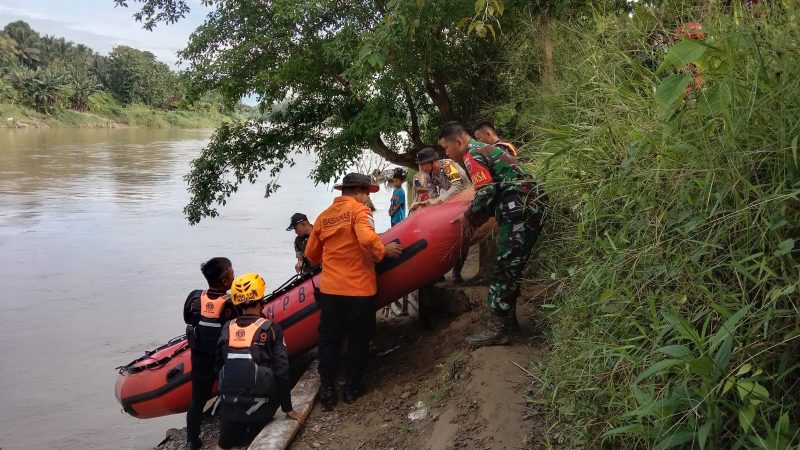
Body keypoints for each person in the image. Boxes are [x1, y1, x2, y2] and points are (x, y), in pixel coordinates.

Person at [440, 121, 546, 347]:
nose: (445, 153)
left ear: (459, 141)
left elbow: (486, 191)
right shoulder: (486, 150)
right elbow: (495, 189)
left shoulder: (472, 155)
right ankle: (508, 322)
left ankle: (498, 329)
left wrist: (469, 216)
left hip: (519, 210)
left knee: (503, 268)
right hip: (529, 207)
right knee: (511, 266)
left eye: (446, 148)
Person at [305, 172, 403, 410]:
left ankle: (327, 390)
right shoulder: (359, 212)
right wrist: (383, 251)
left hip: (330, 289)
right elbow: (368, 240)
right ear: (359, 191)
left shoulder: (323, 217)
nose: (367, 199)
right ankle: (351, 388)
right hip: (358, 289)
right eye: (367, 194)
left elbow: (311, 255)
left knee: (329, 340)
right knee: (359, 339)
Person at [215, 273, 304, 450]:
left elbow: (219, 364)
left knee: (224, 444)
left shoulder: (227, 328)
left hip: (229, 407)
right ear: (260, 299)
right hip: (261, 407)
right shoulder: (271, 329)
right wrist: (287, 408)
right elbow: (281, 371)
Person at [183, 257, 237, 450]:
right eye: (232, 272)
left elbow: (188, 318)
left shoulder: (194, 298)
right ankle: (229, 438)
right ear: (225, 281)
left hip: (199, 358)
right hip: (221, 359)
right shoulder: (230, 303)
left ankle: (191, 440)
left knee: (197, 399)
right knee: (229, 395)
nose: (234, 274)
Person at [409, 147, 472, 283]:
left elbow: (458, 186)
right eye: (420, 164)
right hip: (451, 203)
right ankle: (439, 272)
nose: (421, 167)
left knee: (464, 238)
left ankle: (456, 272)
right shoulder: (429, 175)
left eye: (423, 164)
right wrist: (426, 205)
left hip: (467, 201)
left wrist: (438, 200)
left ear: (434, 162)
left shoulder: (448, 166)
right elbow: (433, 195)